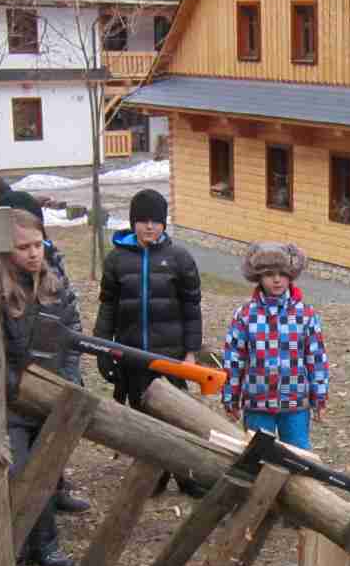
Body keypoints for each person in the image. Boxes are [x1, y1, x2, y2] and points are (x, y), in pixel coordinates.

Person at [92, 188, 203, 494]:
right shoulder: (116, 260)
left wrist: (191, 352)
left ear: (164, 223)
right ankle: (152, 475)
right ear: (133, 223)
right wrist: (103, 348)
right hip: (132, 354)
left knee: (178, 417)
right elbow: (108, 307)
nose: (150, 226)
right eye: (143, 220)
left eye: (156, 220)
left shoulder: (179, 258)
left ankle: (187, 475)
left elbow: (192, 308)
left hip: (170, 354)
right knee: (142, 415)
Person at [0, 188, 91, 514]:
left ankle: (47, 540)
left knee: (49, 468)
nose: (34, 253)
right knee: (20, 472)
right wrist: (14, 386)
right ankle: (21, 545)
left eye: (38, 245)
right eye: (23, 247)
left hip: (51, 391)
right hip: (12, 400)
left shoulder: (55, 286)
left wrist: (67, 380)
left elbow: (72, 338)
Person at [221, 242, 328, 447]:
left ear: (291, 276)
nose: (277, 279)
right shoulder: (245, 315)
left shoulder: (305, 314)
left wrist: (319, 398)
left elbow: (316, 359)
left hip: (295, 403)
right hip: (257, 403)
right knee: (256, 458)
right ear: (258, 277)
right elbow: (233, 360)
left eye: (282, 274)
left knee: (299, 457)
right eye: (269, 274)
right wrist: (230, 398)